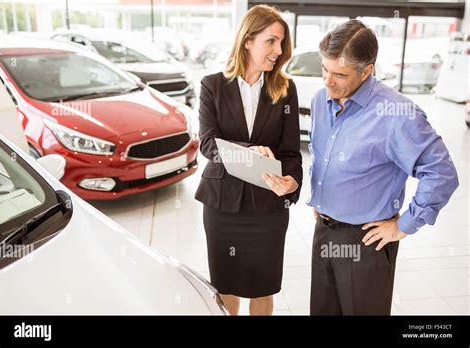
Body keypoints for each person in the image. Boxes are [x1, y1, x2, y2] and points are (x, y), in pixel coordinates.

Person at [308, 19, 459, 315]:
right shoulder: (319, 101)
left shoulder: (397, 114)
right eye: (324, 69)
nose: (327, 81)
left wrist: (404, 225)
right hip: (323, 232)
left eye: (339, 74)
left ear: (367, 71)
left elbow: (441, 172)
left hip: (366, 241)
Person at [194, 4, 302, 315]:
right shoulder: (212, 85)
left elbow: (291, 151)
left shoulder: (285, 89)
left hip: (268, 208)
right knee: (226, 286)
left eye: (282, 43)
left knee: (263, 286)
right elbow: (208, 143)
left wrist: (292, 182)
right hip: (222, 205)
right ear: (248, 40)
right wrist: (247, 151)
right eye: (271, 41)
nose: (278, 50)